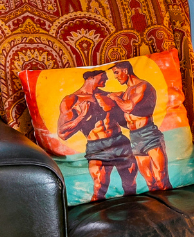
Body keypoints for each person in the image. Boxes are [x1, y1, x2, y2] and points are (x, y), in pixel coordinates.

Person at [58, 70, 137, 199]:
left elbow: (125, 122)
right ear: (90, 77)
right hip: (98, 147)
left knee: (130, 185)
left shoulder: (109, 96)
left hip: (120, 142)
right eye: (103, 75)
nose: (107, 78)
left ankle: (133, 210)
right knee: (100, 189)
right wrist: (82, 116)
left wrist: (124, 106)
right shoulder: (72, 100)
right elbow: (62, 133)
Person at [105, 60, 172, 191]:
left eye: (117, 73)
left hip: (149, 135)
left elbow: (128, 107)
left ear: (125, 70)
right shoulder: (126, 92)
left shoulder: (143, 86)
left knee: (161, 179)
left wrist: (115, 98)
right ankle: (156, 204)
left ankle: (171, 202)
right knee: (150, 182)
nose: (116, 77)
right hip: (135, 137)